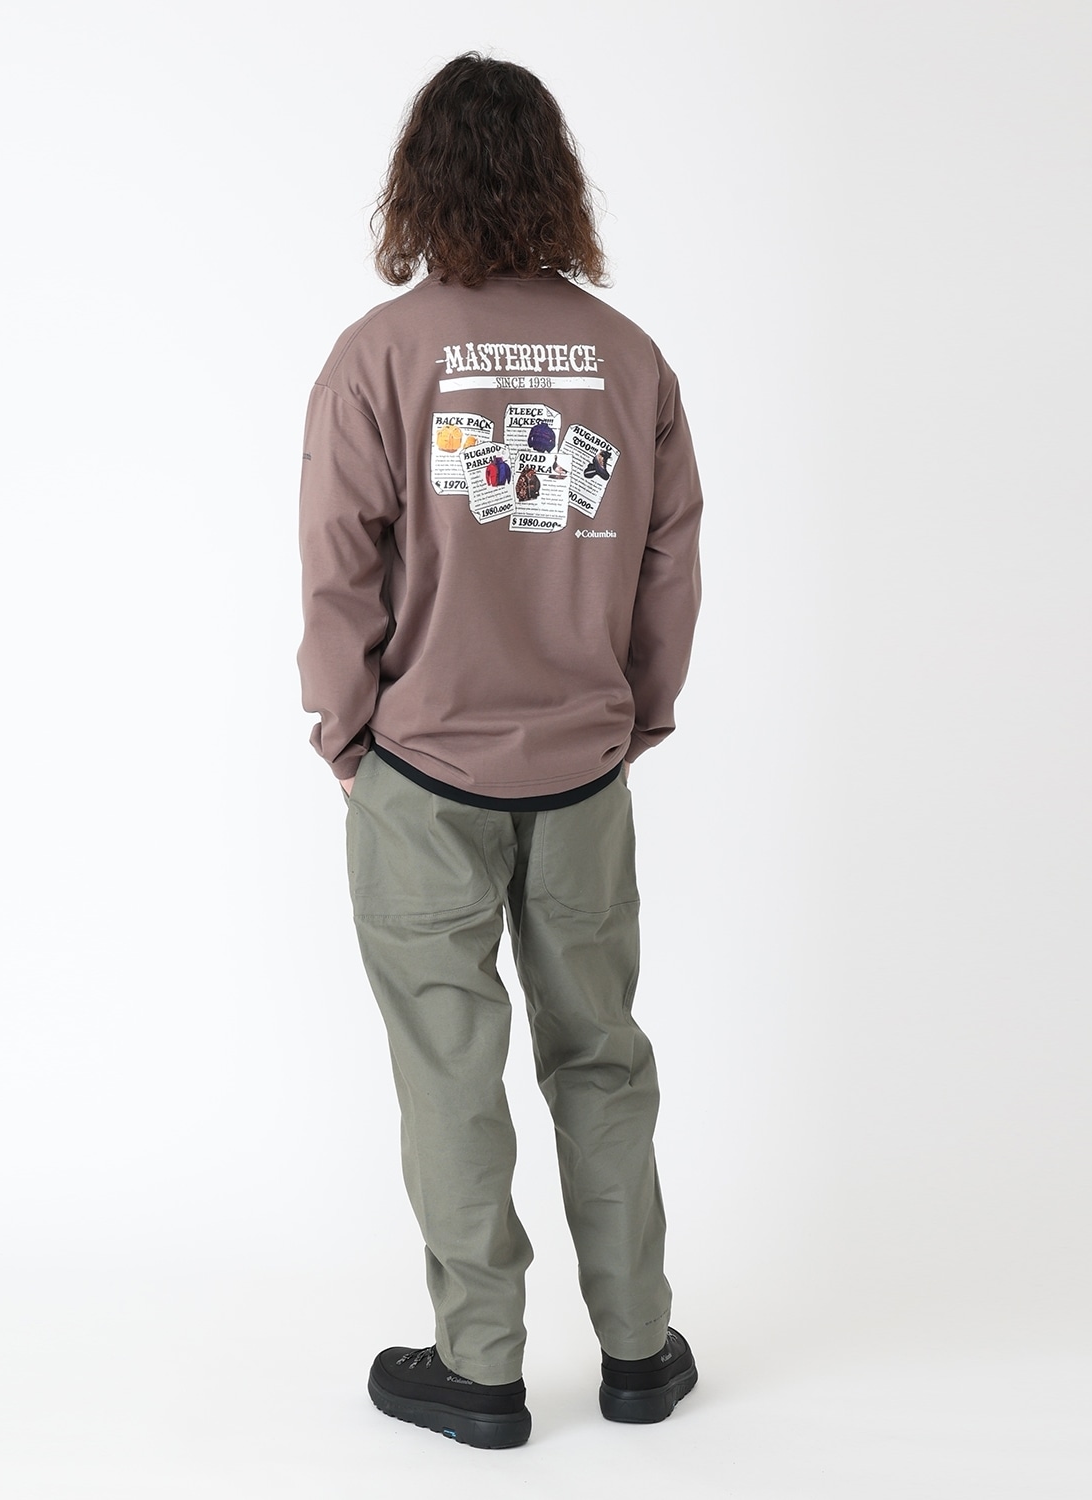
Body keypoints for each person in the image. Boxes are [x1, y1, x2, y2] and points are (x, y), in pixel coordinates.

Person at [296, 52, 704, 1450]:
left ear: (417, 182)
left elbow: (337, 569)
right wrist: (638, 712)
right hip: (584, 767)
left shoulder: (378, 355)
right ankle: (639, 1353)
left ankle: (480, 1371)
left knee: (448, 1069)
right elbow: (668, 565)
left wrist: (343, 727)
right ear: (555, 182)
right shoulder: (630, 359)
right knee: (601, 1056)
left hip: (420, 771)